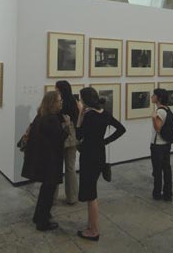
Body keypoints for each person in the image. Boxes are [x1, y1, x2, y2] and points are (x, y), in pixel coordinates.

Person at [76, 87, 125, 241]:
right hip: (99, 155)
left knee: (91, 195)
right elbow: (121, 129)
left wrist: (80, 116)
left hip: (88, 157)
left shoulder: (89, 116)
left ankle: (94, 231)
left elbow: (78, 135)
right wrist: (105, 141)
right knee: (92, 192)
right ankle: (91, 226)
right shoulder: (104, 113)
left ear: (84, 100)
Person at [21, 91, 68, 231]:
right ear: (52, 102)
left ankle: (39, 216)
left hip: (41, 159)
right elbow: (58, 141)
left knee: (45, 190)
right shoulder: (52, 119)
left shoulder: (40, 115)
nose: (61, 103)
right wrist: (67, 127)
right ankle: (42, 223)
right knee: (48, 192)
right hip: (50, 162)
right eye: (59, 100)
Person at [55, 80, 79, 205]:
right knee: (70, 168)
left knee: (56, 167)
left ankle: (52, 198)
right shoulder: (74, 101)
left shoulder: (58, 103)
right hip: (72, 136)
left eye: (56, 88)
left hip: (59, 136)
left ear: (59, 89)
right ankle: (72, 197)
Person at [150, 88, 173, 201]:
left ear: (158, 98)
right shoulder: (167, 109)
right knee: (166, 168)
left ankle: (157, 193)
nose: (151, 96)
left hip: (158, 145)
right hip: (166, 144)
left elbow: (158, 128)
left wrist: (154, 118)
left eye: (154, 95)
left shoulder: (159, 111)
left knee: (157, 170)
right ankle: (168, 194)